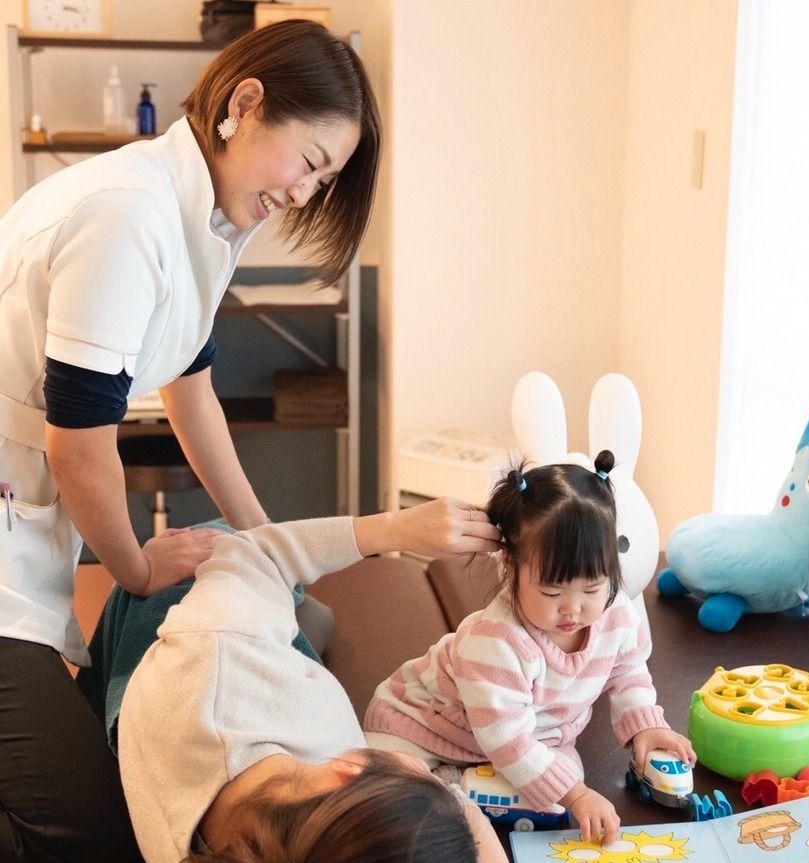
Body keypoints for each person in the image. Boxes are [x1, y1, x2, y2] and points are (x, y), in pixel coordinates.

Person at [0, 19, 380, 862]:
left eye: (326, 179)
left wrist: (264, 541)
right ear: (246, 104)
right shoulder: (128, 212)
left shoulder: (203, 215)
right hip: (19, 494)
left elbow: (189, 385)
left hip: (26, 511)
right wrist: (134, 565)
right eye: (312, 163)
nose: (308, 194)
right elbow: (79, 445)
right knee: (83, 828)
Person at [112, 498, 507, 863]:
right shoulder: (303, 837)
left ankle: (296, 604)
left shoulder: (221, 648)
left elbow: (257, 550)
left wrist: (397, 529)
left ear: (347, 772)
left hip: (185, 635)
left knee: (221, 534)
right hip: (217, 682)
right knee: (311, 614)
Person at [364, 453, 697, 845]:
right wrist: (576, 794)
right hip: (421, 723)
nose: (573, 608)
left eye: (592, 588)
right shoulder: (496, 640)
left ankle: (464, 787)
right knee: (389, 786)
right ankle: (446, 785)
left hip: (527, 737)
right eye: (551, 591)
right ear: (510, 565)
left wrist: (647, 725)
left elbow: (628, 671)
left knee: (558, 798)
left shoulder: (615, 612)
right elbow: (507, 738)